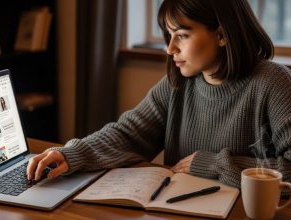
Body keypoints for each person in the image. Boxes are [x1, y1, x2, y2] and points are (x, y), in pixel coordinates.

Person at [27, 0, 291, 191]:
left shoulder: (273, 83)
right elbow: (128, 134)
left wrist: (215, 165)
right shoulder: (178, 84)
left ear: (221, 35)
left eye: (182, 35)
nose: (170, 48)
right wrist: (73, 154)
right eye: (169, 35)